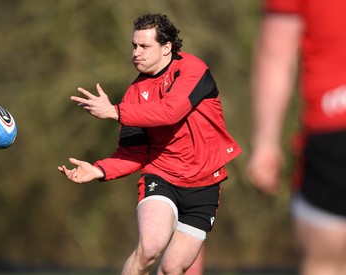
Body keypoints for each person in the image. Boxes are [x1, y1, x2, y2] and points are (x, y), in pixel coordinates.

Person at [58, 13, 241, 275]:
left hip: (204, 186)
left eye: (144, 46)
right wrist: (99, 170)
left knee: (172, 268)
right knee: (149, 250)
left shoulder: (193, 70)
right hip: (162, 177)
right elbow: (133, 153)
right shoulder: (133, 95)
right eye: (134, 46)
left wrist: (115, 112)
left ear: (166, 48)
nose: (136, 53)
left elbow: (171, 111)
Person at [248, 0, 346, 274]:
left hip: (333, 125)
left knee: (326, 262)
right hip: (333, 134)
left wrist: (266, 143)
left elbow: (275, 54)